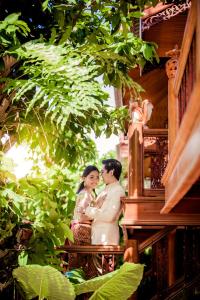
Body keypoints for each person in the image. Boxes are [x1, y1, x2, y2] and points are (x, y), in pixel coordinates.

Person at [85, 159, 125, 245]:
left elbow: (109, 216)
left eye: (102, 172)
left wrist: (88, 210)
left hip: (106, 238)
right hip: (97, 237)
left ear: (111, 172)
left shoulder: (117, 190)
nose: (101, 175)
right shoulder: (106, 189)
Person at [71, 165, 100, 245]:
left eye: (97, 177)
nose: (95, 180)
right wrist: (97, 216)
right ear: (84, 178)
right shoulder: (85, 194)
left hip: (84, 230)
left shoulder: (90, 193)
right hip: (81, 231)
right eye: (91, 177)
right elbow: (79, 217)